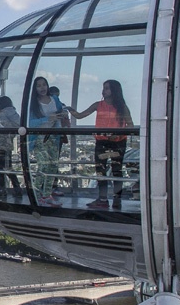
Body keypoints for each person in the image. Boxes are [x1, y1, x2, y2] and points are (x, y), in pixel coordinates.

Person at [68, 80, 133, 209]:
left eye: (107, 88)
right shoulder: (99, 105)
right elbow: (80, 115)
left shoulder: (122, 107)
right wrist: (70, 110)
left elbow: (130, 125)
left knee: (116, 170)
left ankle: (115, 199)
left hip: (118, 142)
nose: (104, 90)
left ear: (114, 90)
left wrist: (118, 134)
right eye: (104, 88)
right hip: (103, 141)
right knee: (101, 171)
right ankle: (104, 199)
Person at [27, 77, 68, 207]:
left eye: (44, 85)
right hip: (40, 137)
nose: (42, 88)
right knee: (43, 165)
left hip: (53, 136)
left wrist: (62, 114)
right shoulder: (33, 104)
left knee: (53, 166)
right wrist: (46, 118)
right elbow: (29, 123)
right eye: (39, 86)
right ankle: (37, 195)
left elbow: (62, 110)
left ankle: (46, 195)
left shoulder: (54, 99)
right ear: (35, 89)